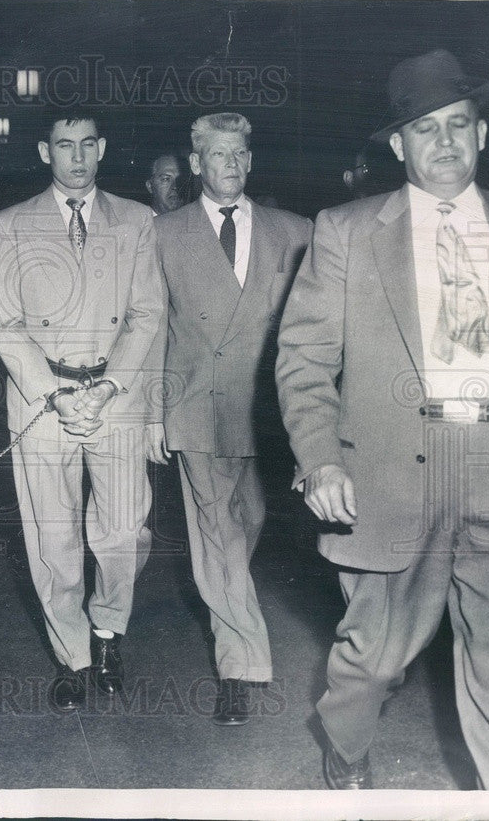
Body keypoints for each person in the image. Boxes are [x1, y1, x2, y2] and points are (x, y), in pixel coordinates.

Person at [276, 49, 489, 790]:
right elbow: (301, 360)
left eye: (460, 125)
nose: (446, 143)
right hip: (394, 467)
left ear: (483, 134)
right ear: (398, 146)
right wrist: (321, 459)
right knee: (375, 658)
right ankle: (346, 739)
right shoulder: (348, 231)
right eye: (426, 130)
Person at [0, 109, 164, 711]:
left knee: (123, 532)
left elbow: (147, 314)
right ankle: (73, 655)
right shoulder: (11, 225)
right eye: (65, 145)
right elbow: (4, 325)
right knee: (52, 539)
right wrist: (58, 393)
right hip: (42, 400)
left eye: (89, 144)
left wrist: (110, 386)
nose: (78, 156)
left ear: (103, 148)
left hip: (116, 397)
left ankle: (109, 631)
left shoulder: (138, 222)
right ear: (44, 151)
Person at [150, 113, 312, 726]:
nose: (233, 165)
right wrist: (150, 415)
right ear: (196, 164)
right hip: (198, 406)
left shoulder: (295, 232)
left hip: (269, 412)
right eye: (219, 155)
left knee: (250, 522)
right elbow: (151, 327)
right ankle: (239, 664)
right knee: (216, 535)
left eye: (241, 153)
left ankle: (228, 611)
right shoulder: (164, 234)